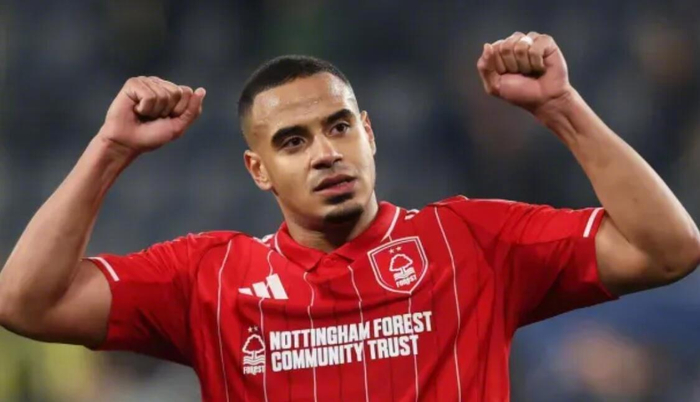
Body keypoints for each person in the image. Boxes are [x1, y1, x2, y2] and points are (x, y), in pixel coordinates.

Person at [0, 31, 698, 402]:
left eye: (338, 127)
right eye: (292, 141)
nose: (325, 153)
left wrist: (561, 109)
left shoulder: (471, 242)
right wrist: (110, 150)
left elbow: (668, 248)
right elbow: (27, 302)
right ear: (258, 170)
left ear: (369, 133)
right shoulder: (208, 279)